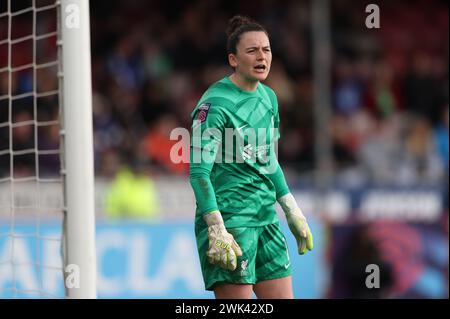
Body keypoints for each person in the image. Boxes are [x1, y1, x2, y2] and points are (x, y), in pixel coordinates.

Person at [189, 15, 313, 299]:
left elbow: (268, 158)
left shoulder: (269, 98)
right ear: (233, 59)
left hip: (266, 221)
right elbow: (198, 173)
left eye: (266, 50)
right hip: (232, 224)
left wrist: (292, 210)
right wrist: (216, 229)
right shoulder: (215, 105)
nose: (262, 57)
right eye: (252, 51)